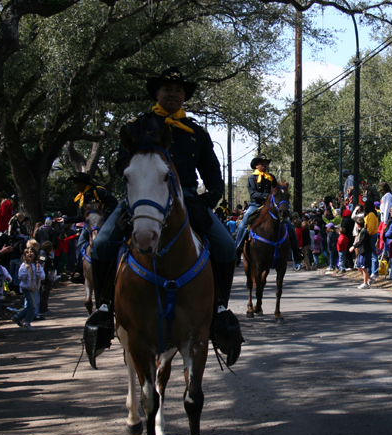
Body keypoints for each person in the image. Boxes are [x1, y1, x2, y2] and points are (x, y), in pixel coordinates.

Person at [88, 67, 241, 367]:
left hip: (185, 198)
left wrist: (205, 201)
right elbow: (122, 164)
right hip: (144, 194)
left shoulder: (197, 133)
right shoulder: (138, 125)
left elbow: (213, 176)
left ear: (185, 96)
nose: (173, 93)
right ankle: (105, 308)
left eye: (178, 89)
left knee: (225, 246)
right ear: (156, 93)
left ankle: (220, 309)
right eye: (167, 89)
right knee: (102, 244)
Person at [234, 154, 302, 262]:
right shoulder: (252, 178)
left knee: (288, 224)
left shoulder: (271, 177)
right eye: (262, 163)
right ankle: (237, 250)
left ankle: (296, 250)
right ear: (256, 165)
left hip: (270, 206)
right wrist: (267, 196)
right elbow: (253, 194)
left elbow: (276, 191)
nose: (265, 165)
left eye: (266, 163)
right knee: (243, 224)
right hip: (255, 205)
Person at [13, 245, 45, 331]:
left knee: (31, 306)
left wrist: (38, 269)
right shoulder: (24, 265)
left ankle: (17, 317)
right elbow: (21, 277)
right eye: (27, 253)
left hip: (35, 288)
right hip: (26, 288)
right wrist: (26, 270)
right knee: (32, 305)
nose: (29, 254)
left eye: (31, 252)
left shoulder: (37, 265)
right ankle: (27, 322)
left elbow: (42, 277)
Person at [351, 217, 372, 288]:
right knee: (358, 267)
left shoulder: (364, 232)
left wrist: (354, 246)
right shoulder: (361, 231)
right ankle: (369, 279)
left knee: (364, 267)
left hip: (365, 251)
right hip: (361, 251)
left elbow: (361, 241)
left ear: (358, 225)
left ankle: (365, 283)